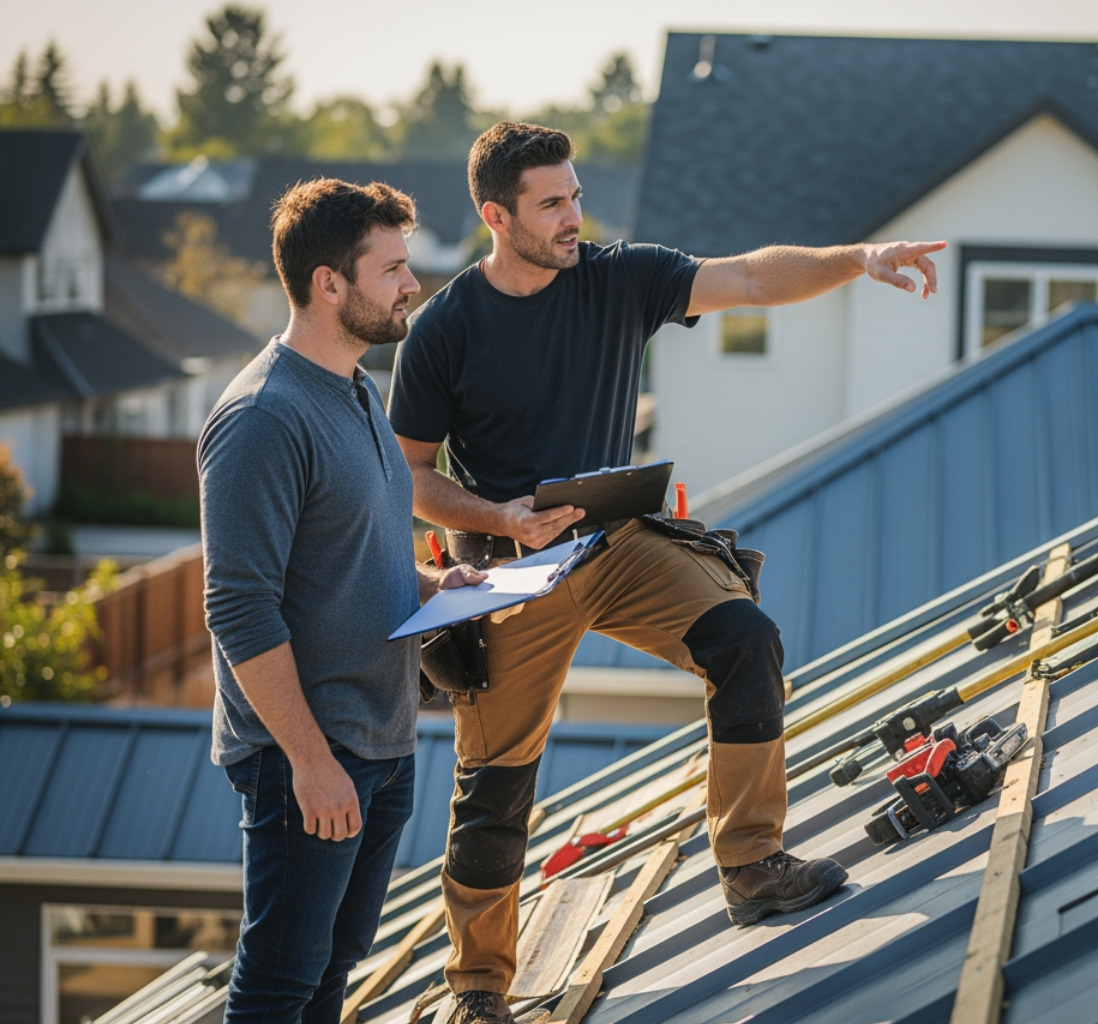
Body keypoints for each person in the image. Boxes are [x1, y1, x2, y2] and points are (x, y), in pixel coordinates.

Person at [388, 121, 943, 1024]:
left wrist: (862, 258)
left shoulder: (619, 277)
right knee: (494, 785)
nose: (575, 216)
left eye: (575, 195)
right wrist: (499, 519)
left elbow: (756, 275)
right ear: (497, 215)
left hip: (617, 545)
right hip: (506, 573)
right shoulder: (446, 328)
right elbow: (405, 474)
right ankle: (479, 988)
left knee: (745, 637)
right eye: (552, 204)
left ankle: (752, 864)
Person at [199, 177, 487, 1023]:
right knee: (280, 982)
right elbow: (239, 607)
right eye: (394, 267)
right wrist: (311, 764)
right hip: (310, 757)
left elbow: (352, 561)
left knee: (332, 974)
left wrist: (443, 588)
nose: (412, 285)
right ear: (330, 283)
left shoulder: (360, 390)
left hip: (382, 737)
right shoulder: (262, 417)